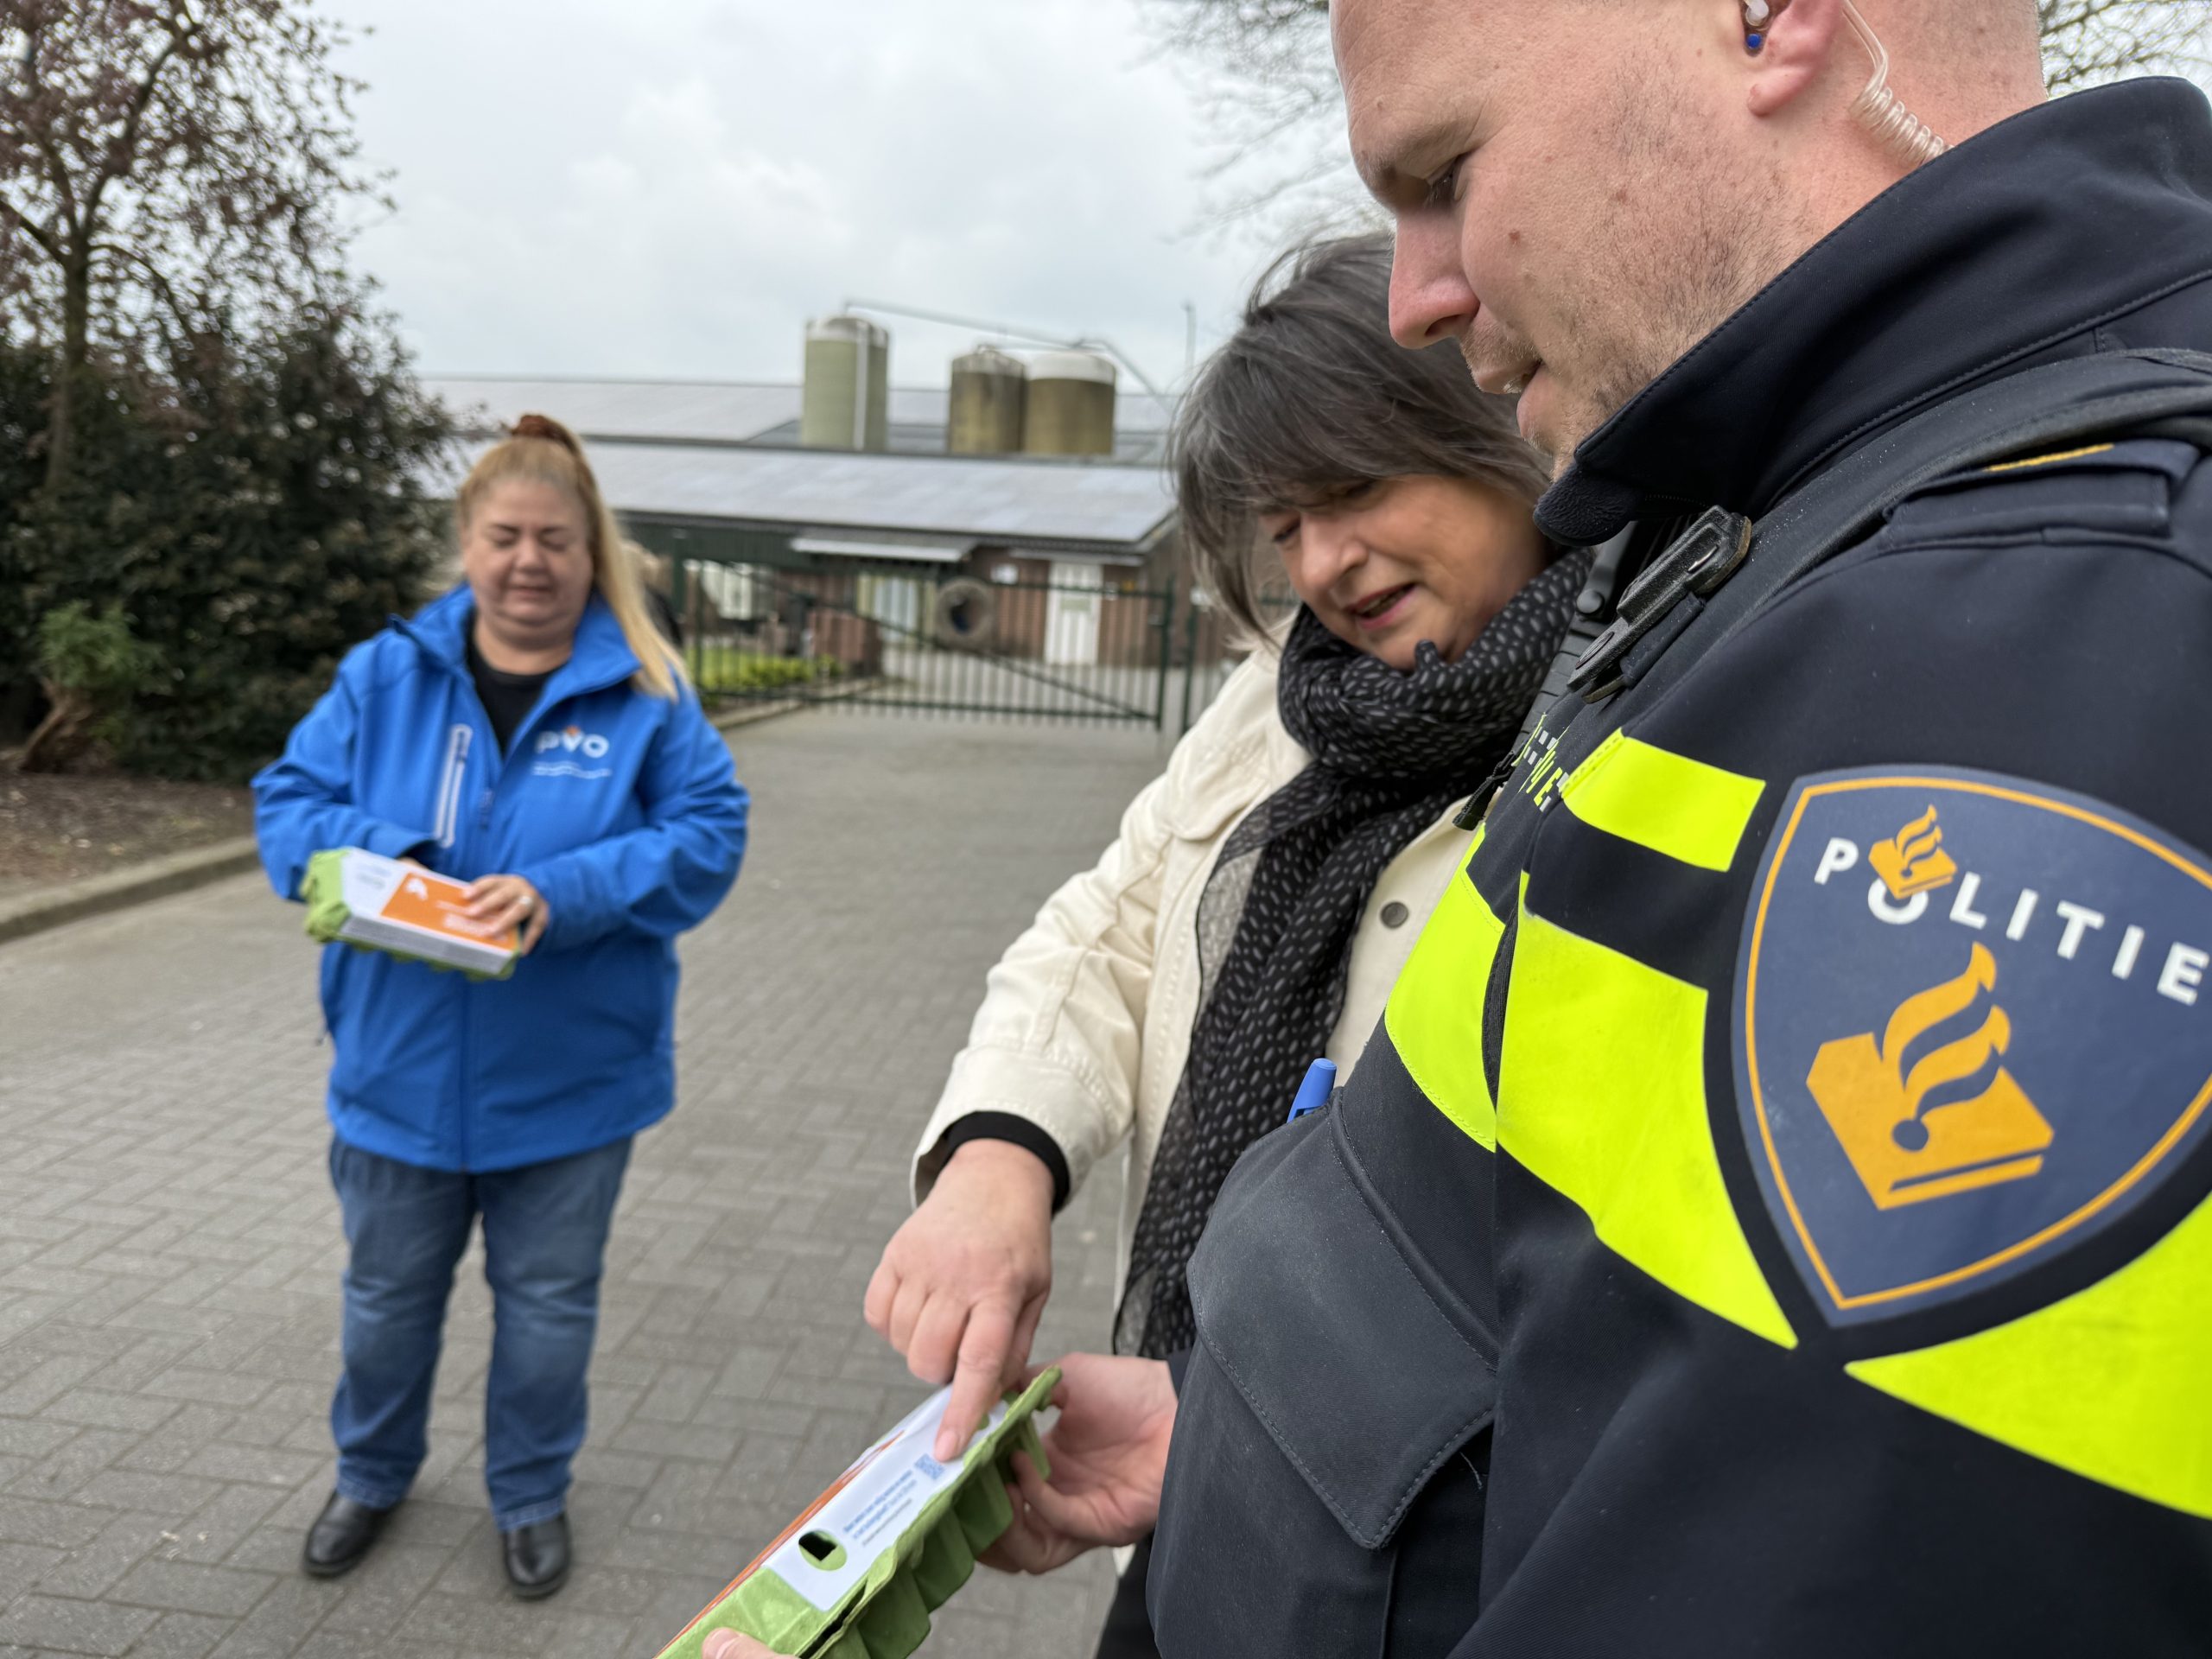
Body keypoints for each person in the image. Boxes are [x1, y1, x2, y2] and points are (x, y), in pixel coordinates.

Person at [851, 3, 2212, 1656]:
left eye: (1446, 170)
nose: (1425, 290)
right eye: (1284, 530)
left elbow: (1796, 1545)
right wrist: (1238, 1430)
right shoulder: (1719, 591)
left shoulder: (2014, 638)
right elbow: (1556, 1343)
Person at [863, 233, 1586, 1656]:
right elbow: (1120, 914)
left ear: (1500, 422)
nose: (1321, 564)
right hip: (1208, 1482)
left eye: (1360, 487)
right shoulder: (1287, 696)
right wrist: (1001, 1158)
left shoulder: (1645, 725)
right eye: (1287, 519)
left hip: (1433, 1579)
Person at [254, 414, 747, 1599]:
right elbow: (287, 805)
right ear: (467, 548)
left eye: (557, 541)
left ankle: (529, 1495)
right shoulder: (384, 676)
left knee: (548, 1311)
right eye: (505, 537)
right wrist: (404, 860)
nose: (531, 561)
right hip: (396, 1076)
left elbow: (710, 837)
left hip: (572, 1088)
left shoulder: (648, 694)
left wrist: (565, 890)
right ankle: (370, 1475)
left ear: (594, 556)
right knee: (383, 1302)